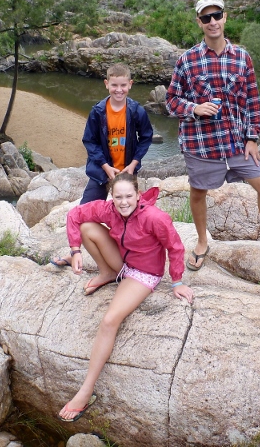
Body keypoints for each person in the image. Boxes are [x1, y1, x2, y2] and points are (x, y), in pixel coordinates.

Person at [165, 0, 260, 271]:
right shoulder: (187, 60)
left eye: (217, 16)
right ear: (199, 22)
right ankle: (202, 242)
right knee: (198, 192)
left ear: (225, 17)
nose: (212, 22)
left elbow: (252, 100)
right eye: (206, 18)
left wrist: (252, 138)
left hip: (237, 142)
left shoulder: (242, 58)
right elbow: (171, 101)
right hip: (201, 144)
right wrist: (195, 108)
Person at [57, 172, 193, 423]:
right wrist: (75, 250)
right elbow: (74, 215)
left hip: (143, 273)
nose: (123, 202)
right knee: (88, 226)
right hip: (123, 263)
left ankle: (85, 391)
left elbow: (175, 246)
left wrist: (177, 281)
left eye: (129, 196)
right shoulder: (109, 210)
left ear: (138, 195)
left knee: (109, 320)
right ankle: (107, 272)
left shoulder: (154, 217)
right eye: (118, 196)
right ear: (111, 196)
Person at [51, 62, 153, 267]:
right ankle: (74, 251)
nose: (119, 90)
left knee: (130, 215)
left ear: (130, 84)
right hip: (101, 172)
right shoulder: (98, 111)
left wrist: (133, 165)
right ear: (106, 84)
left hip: (126, 173)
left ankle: (132, 255)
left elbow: (146, 137)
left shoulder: (136, 111)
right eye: (114, 85)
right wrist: (106, 167)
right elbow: (90, 141)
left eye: (123, 85)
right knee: (82, 213)